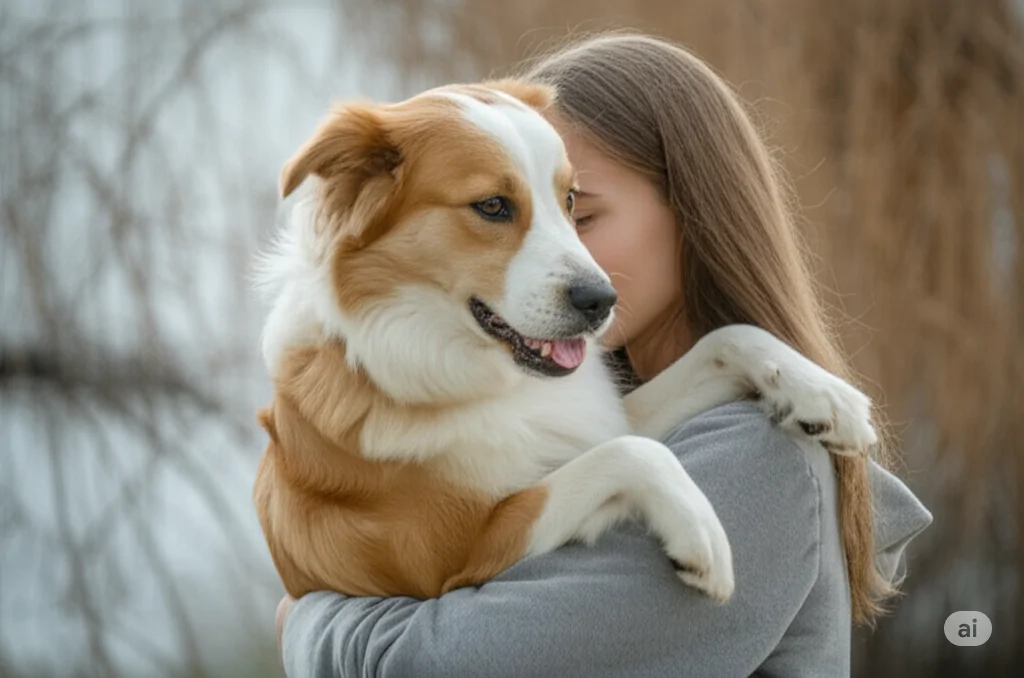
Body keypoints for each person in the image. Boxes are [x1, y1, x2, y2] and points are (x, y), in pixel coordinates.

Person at [274, 33, 932, 677]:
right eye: (500, 207)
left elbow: (444, 663)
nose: (573, 260)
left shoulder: (763, 460)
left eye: (576, 212)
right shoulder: (574, 397)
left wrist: (307, 622)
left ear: (694, 213)